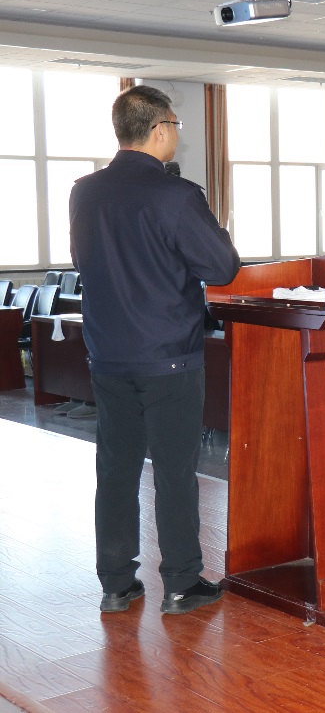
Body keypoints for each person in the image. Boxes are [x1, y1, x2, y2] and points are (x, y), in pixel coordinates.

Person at [71, 85, 240, 615]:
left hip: (108, 353)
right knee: (173, 471)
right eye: (176, 126)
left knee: (116, 469)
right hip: (168, 354)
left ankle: (116, 583)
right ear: (160, 128)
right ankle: (183, 583)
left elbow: (83, 261)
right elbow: (222, 267)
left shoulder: (84, 192)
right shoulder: (176, 194)